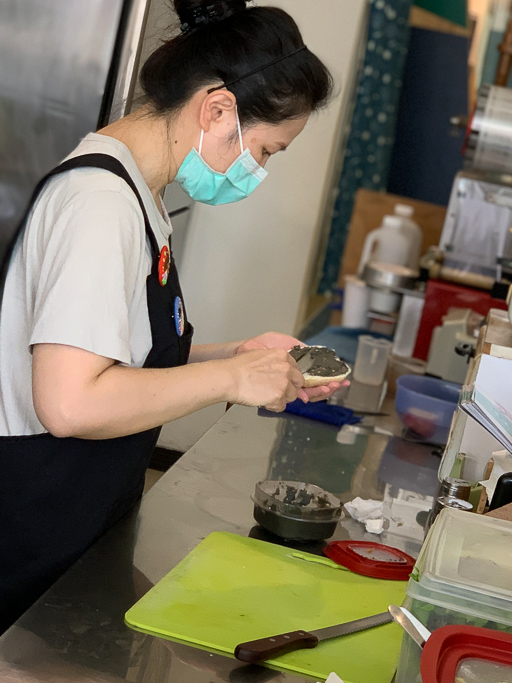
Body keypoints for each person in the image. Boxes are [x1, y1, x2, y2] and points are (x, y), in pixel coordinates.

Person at [0, 0, 344, 632]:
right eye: (264, 150)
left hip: (82, 521)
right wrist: (231, 382)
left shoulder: (141, 194)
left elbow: (121, 357)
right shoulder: (99, 203)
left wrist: (235, 354)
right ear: (217, 109)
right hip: (32, 535)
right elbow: (70, 403)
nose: (256, 171)